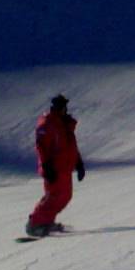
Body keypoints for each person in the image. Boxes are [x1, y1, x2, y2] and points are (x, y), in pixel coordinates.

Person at [26, 94, 85, 237]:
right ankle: (34, 224)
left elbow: (71, 146)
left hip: (65, 167)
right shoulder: (47, 123)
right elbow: (41, 146)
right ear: (54, 107)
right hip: (54, 168)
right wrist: (46, 166)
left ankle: (46, 222)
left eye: (63, 105)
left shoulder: (65, 124)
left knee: (65, 196)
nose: (63, 108)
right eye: (60, 105)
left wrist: (78, 162)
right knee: (53, 196)